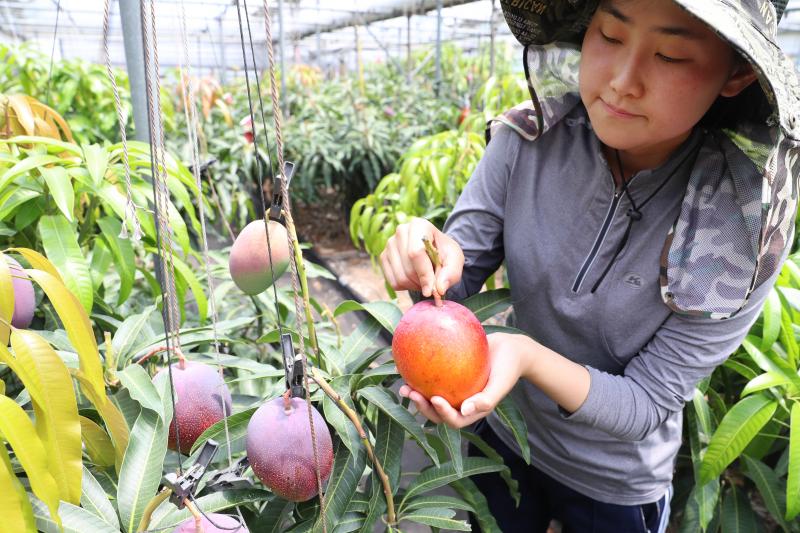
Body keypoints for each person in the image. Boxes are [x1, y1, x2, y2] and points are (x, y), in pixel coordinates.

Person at [379, 1, 800, 531]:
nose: (623, 82)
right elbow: (451, 285)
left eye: (670, 55)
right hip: (509, 437)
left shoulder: (740, 229)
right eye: (609, 35)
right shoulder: (528, 139)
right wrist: (427, 256)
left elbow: (647, 402)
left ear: (736, 72)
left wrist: (528, 356)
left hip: (615, 482)